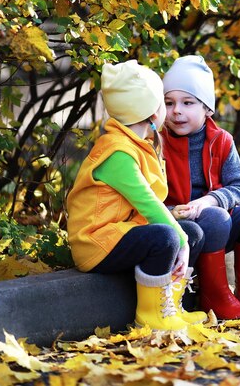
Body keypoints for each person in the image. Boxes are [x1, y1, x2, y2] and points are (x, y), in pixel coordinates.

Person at [66, 60, 207, 330]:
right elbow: (148, 203)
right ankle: (151, 315)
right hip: (95, 242)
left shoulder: (137, 144)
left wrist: (184, 233)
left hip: (118, 232)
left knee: (193, 230)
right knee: (168, 236)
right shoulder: (118, 153)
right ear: (153, 113)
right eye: (162, 103)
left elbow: (149, 207)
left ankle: (171, 306)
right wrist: (182, 241)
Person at [160, 55, 240, 319]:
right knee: (215, 217)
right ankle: (214, 295)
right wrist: (173, 210)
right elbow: (148, 191)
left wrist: (209, 200)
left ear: (207, 109)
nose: (176, 111)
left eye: (188, 102)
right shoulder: (157, 142)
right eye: (169, 103)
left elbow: (239, 186)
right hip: (181, 228)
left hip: (219, 227)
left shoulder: (221, 140)